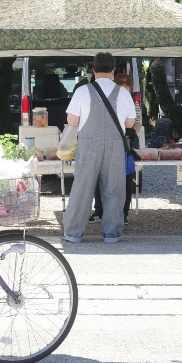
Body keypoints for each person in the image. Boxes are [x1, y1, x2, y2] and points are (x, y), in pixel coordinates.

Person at [62, 53, 136, 243]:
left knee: (82, 188)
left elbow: (72, 120)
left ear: (93, 70)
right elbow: (129, 123)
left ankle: (73, 233)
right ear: (113, 70)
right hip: (114, 145)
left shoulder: (82, 91)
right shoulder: (123, 93)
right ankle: (112, 234)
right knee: (113, 189)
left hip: (88, 145)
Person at [89, 73, 142, 225]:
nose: (124, 91)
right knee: (101, 179)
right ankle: (99, 212)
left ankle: (123, 214)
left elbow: (138, 123)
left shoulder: (132, 102)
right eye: (121, 88)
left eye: (127, 88)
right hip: (105, 144)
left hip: (125, 147)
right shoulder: (105, 100)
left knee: (126, 180)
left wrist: (130, 132)